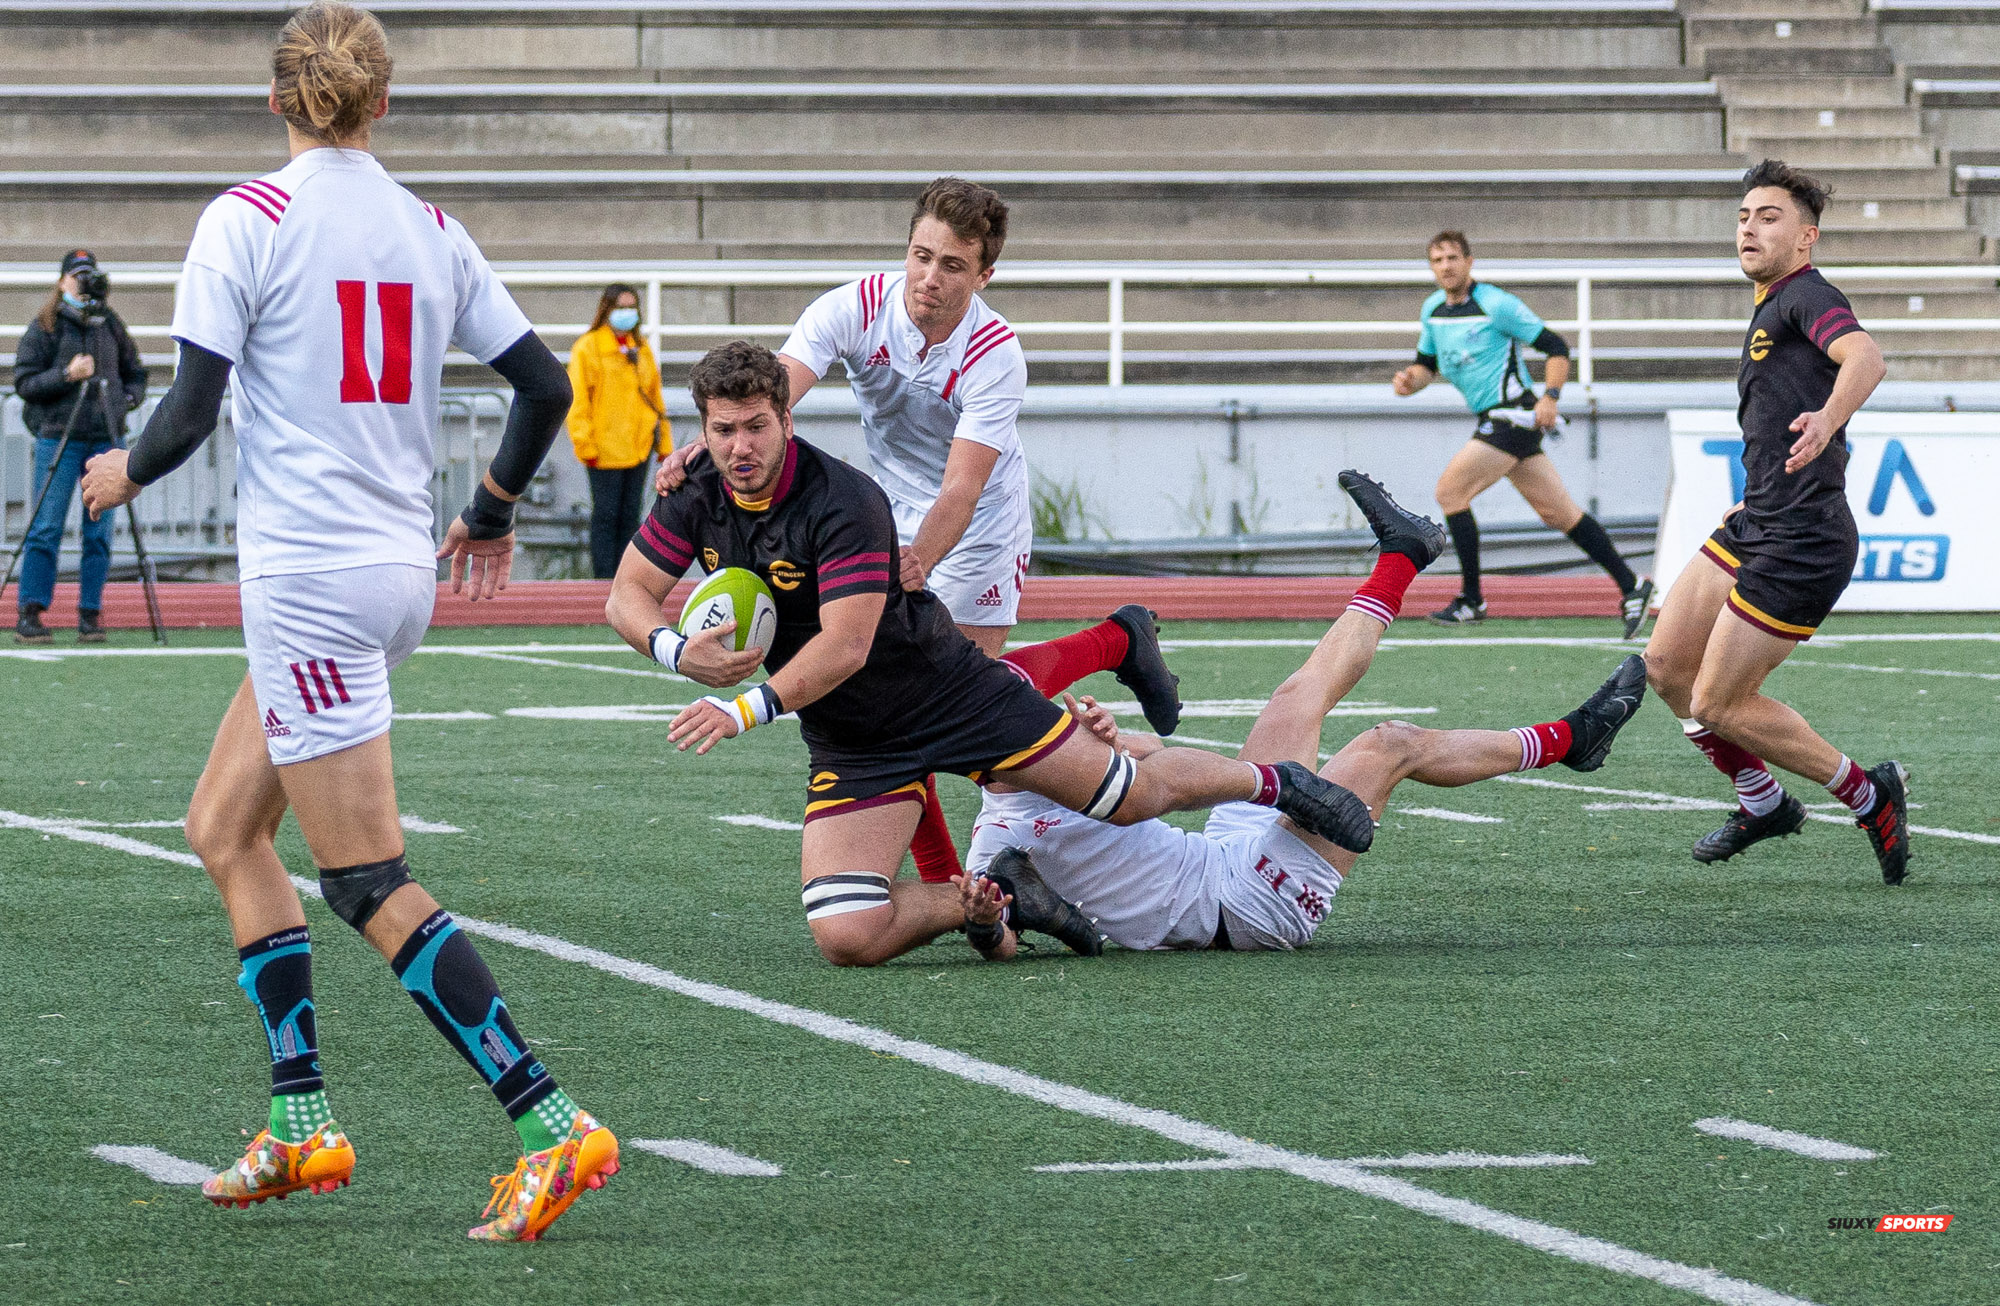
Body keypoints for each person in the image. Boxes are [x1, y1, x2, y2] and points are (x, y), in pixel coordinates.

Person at [77, 2, 616, 1241]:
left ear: (276, 101)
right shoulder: (431, 228)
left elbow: (192, 408)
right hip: (390, 573)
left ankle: (549, 1121)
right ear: (382, 106)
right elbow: (543, 383)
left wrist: (121, 474)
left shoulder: (246, 220)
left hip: (310, 582)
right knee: (222, 826)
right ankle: (302, 1116)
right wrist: (486, 510)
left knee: (367, 875)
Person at [606, 341, 1376, 968]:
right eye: (723, 429)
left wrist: (738, 708)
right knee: (847, 935)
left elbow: (845, 647)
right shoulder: (694, 490)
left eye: (756, 427)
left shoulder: (843, 499)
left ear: (786, 418)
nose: (740, 447)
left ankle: (1278, 783)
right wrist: (677, 651)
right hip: (854, 737)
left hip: (949, 692)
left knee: (1127, 796)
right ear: (700, 429)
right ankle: (1003, 897)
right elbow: (625, 596)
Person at [657, 177, 1170, 888]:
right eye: (920, 256)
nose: (929, 278)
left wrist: (921, 558)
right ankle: (1114, 643)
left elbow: (963, 485)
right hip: (886, 507)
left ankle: (1113, 643)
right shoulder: (853, 307)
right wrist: (704, 447)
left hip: (979, 523)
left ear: (984, 273)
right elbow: (773, 395)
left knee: (951, 698)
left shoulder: (994, 351)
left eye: (952, 265)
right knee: (897, 702)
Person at [958, 472, 1649, 957]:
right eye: (1022, 709)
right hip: (1248, 907)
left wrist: (1118, 739)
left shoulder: (1062, 756)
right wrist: (990, 929)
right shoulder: (993, 841)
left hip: (1224, 849)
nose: (1042, 713)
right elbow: (1008, 938)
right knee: (1388, 744)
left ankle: (1404, 556)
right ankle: (1571, 741)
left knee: (1298, 694)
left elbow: (1152, 769)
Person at [1641, 160, 1907, 883]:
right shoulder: (1770, 305)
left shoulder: (1805, 296)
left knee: (1718, 701)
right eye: (1744, 215)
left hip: (1805, 540)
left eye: (1770, 216)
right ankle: (1760, 801)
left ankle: (1867, 791)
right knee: (1665, 668)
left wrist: (1828, 418)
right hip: (1761, 517)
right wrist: (1755, 488)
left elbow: (1867, 356)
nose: (1750, 227)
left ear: (1806, 238)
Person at [1391, 231, 1653, 637]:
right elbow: (1426, 365)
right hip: (1495, 419)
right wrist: (1411, 380)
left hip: (1511, 417)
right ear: (1431, 267)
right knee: (1559, 513)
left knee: (1450, 493)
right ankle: (1633, 586)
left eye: (1453, 258)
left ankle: (1472, 600)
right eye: (1438, 260)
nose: (1446, 266)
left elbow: (1557, 347)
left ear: (1470, 261)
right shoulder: (1433, 311)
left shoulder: (1497, 304)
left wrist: (1550, 397)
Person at [11, 248, 147, 644]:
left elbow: (135, 372)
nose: (83, 282)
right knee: (46, 526)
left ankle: (90, 613)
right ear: (62, 281)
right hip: (59, 436)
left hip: (105, 437)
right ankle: (31, 612)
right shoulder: (46, 327)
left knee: (99, 532)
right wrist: (66, 375)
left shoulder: (109, 324)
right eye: (77, 275)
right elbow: (25, 383)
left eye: (89, 275)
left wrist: (122, 401)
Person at [567, 282, 669, 578]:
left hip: (639, 447)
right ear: (606, 310)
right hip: (604, 449)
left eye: (631, 307)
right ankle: (603, 580)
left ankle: (627, 580)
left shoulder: (641, 348)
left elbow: (655, 398)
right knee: (606, 516)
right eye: (620, 307)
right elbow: (578, 400)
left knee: (631, 517)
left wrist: (664, 444)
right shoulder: (588, 347)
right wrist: (584, 444)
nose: (626, 313)